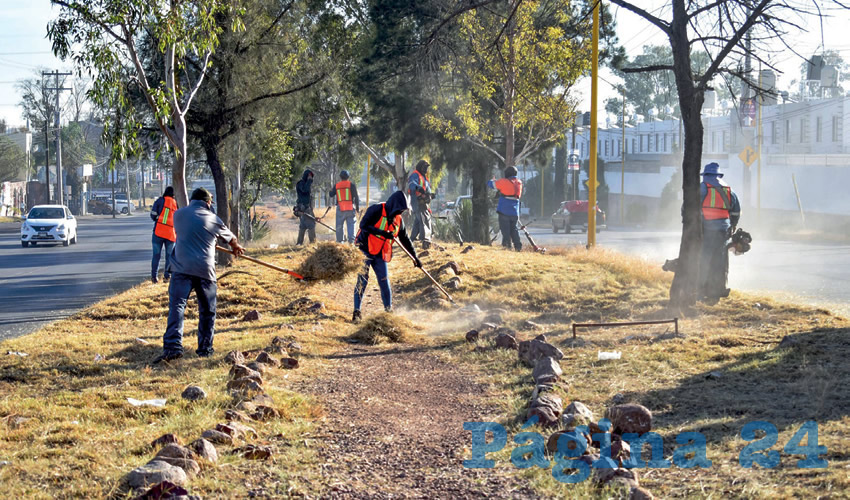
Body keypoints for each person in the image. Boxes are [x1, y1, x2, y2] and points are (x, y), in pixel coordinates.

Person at [153, 188, 244, 364]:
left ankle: (172, 348)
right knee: (207, 311)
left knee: (177, 307)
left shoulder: (178, 215)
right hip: (204, 271)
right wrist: (235, 246)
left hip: (181, 270)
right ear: (208, 203)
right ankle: (205, 349)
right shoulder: (213, 219)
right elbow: (231, 238)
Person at [352, 191, 421, 323]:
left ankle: (388, 312)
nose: (400, 213)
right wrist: (383, 233)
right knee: (362, 280)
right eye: (399, 209)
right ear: (394, 205)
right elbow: (363, 225)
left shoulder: (398, 220)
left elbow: (405, 239)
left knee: (384, 280)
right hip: (364, 249)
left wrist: (415, 257)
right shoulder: (376, 209)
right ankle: (356, 312)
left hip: (379, 253)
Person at [698, 162, 740, 302]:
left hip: (707, 229)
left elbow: (690, 206)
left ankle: (701, 289)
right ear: (718, 175)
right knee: (721, 260)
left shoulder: (703, 187)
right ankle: (719, 289)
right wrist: (733, 225)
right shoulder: (728, 189)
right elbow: (736, 210)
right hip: (724, 230)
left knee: (704, 258)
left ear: (706, 175)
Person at [488, 166, 523, 251]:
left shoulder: (504, 182)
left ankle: (507, 247)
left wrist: (492, 180)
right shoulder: (519, 183)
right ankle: (518, 247)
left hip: (504, 211)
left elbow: (491, 185)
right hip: (515, 212)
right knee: (514, 229)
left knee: (505, 230)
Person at [150, 186, 177, 283]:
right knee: (169, 256)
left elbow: (153, 215)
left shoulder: (159, 201)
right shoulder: (175, 203)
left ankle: (154, 277)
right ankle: (167, 276)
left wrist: (157, 218)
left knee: (156, 256)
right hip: (170, 234)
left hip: (158, 232)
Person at [407, 160, 433, 249]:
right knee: (423, 218)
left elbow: (427, 189)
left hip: (423, 202)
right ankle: (424, 239)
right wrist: (418, 188)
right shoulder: (415, 175)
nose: (426, 169)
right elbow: (411, 184)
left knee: (418, 221)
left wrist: (430, 195)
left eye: (427, 168)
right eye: (425, 167)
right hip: (416, 201)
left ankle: (411, 239)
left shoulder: (424, 177)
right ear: (420, 167)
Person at [329, 170, 360, 243]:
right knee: (351, 225)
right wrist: (357, 208)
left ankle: (340, 242)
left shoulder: (337, 185)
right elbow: (356, 197)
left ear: (340, 177)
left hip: (340, 208)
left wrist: (331, 190)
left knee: (339, 226)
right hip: (350, 207)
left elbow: (331, 195)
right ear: (348, 177)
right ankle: (351, 242)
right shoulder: (351, 185)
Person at [295, 169, 316, 245]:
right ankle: (313, 243)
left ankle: (299, 243)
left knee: (303, 226)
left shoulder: (305, 183)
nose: (311, 178)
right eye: (310, 176)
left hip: (305, 207)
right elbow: (304, 190)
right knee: (311, 225)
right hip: (304, 208)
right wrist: (309, 181)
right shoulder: (301, 183)